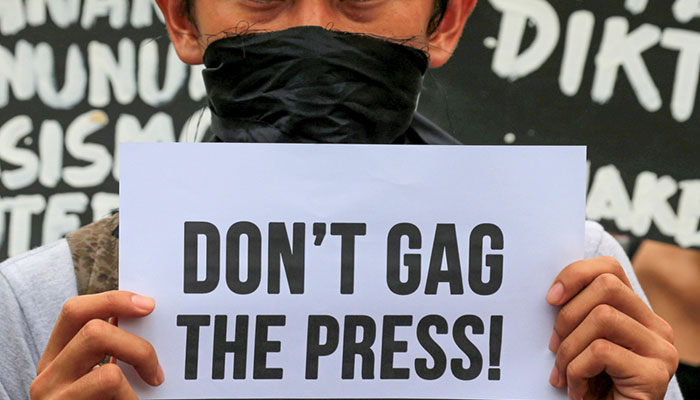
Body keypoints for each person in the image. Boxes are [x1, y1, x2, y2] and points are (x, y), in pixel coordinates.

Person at [0, 0, 683, 399]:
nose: (314, 30)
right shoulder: (43, 302)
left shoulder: (575, 277)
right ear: (181, 19)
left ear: (445, 23)